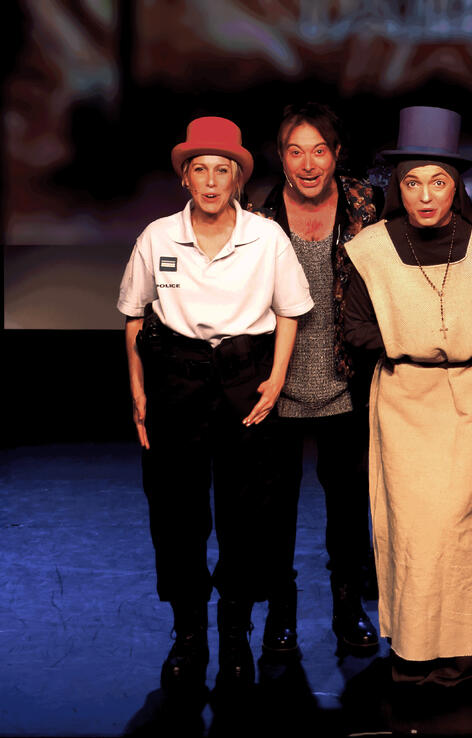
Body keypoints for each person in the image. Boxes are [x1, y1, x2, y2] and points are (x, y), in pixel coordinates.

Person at [117, 116, 313, 691]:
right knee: (176, 512)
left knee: (245, 512)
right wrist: (137, 393)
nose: (209, 181)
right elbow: (134, 318)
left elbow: (290, 312)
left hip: (244, 376)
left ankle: (234, 630)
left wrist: (276, 380)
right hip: (176, 379)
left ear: (236, 178)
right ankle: (188, 632)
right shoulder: (156, 237)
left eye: (220, 170)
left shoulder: (266, 237)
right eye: (198, 169)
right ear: (184, 178)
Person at [343, 106, 472, 685]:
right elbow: (354, 327)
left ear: (457, 185)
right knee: (418, 530)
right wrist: (416, 342)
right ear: (399, 187)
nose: (425, 196)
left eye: (438, 182)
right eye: (412, 183)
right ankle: (420, 646)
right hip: (408, 401)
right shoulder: (371, 249)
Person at [254, 102, 380, 654]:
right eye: (295, 151)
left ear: (337, 155)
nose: (308, 163)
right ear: (280, 157)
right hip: (276, 387)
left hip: (346, 380)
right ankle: (281, 615)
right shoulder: (259, 219)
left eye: (319, 150)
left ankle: (348, 608)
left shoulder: (365, 207)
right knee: (275, 510)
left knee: (348, 510)